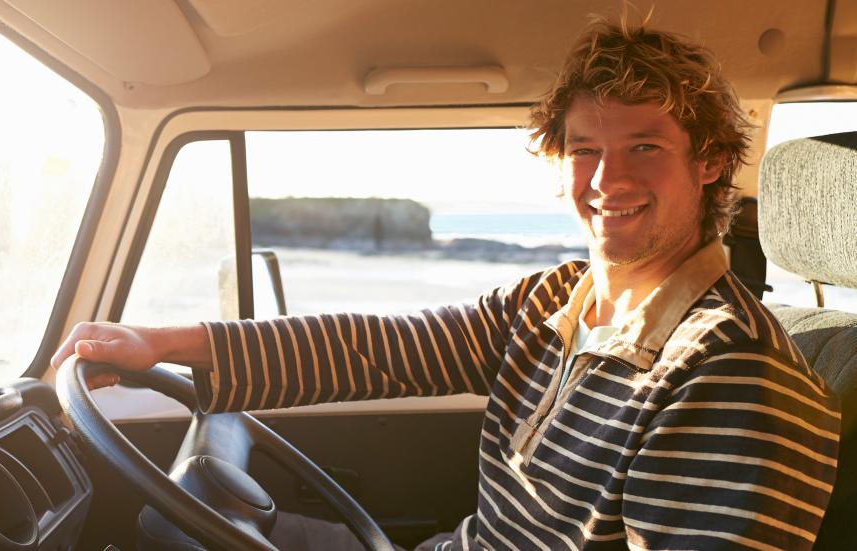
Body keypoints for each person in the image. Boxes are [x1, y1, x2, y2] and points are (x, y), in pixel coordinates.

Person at [52, 17, 841, 550]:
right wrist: (160, 342)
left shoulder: (735, 376)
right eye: (583, 150)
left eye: (643, 149)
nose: (606, 180)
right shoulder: (557, 299)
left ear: (708, 163)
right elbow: (384, 350)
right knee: (173, 523)